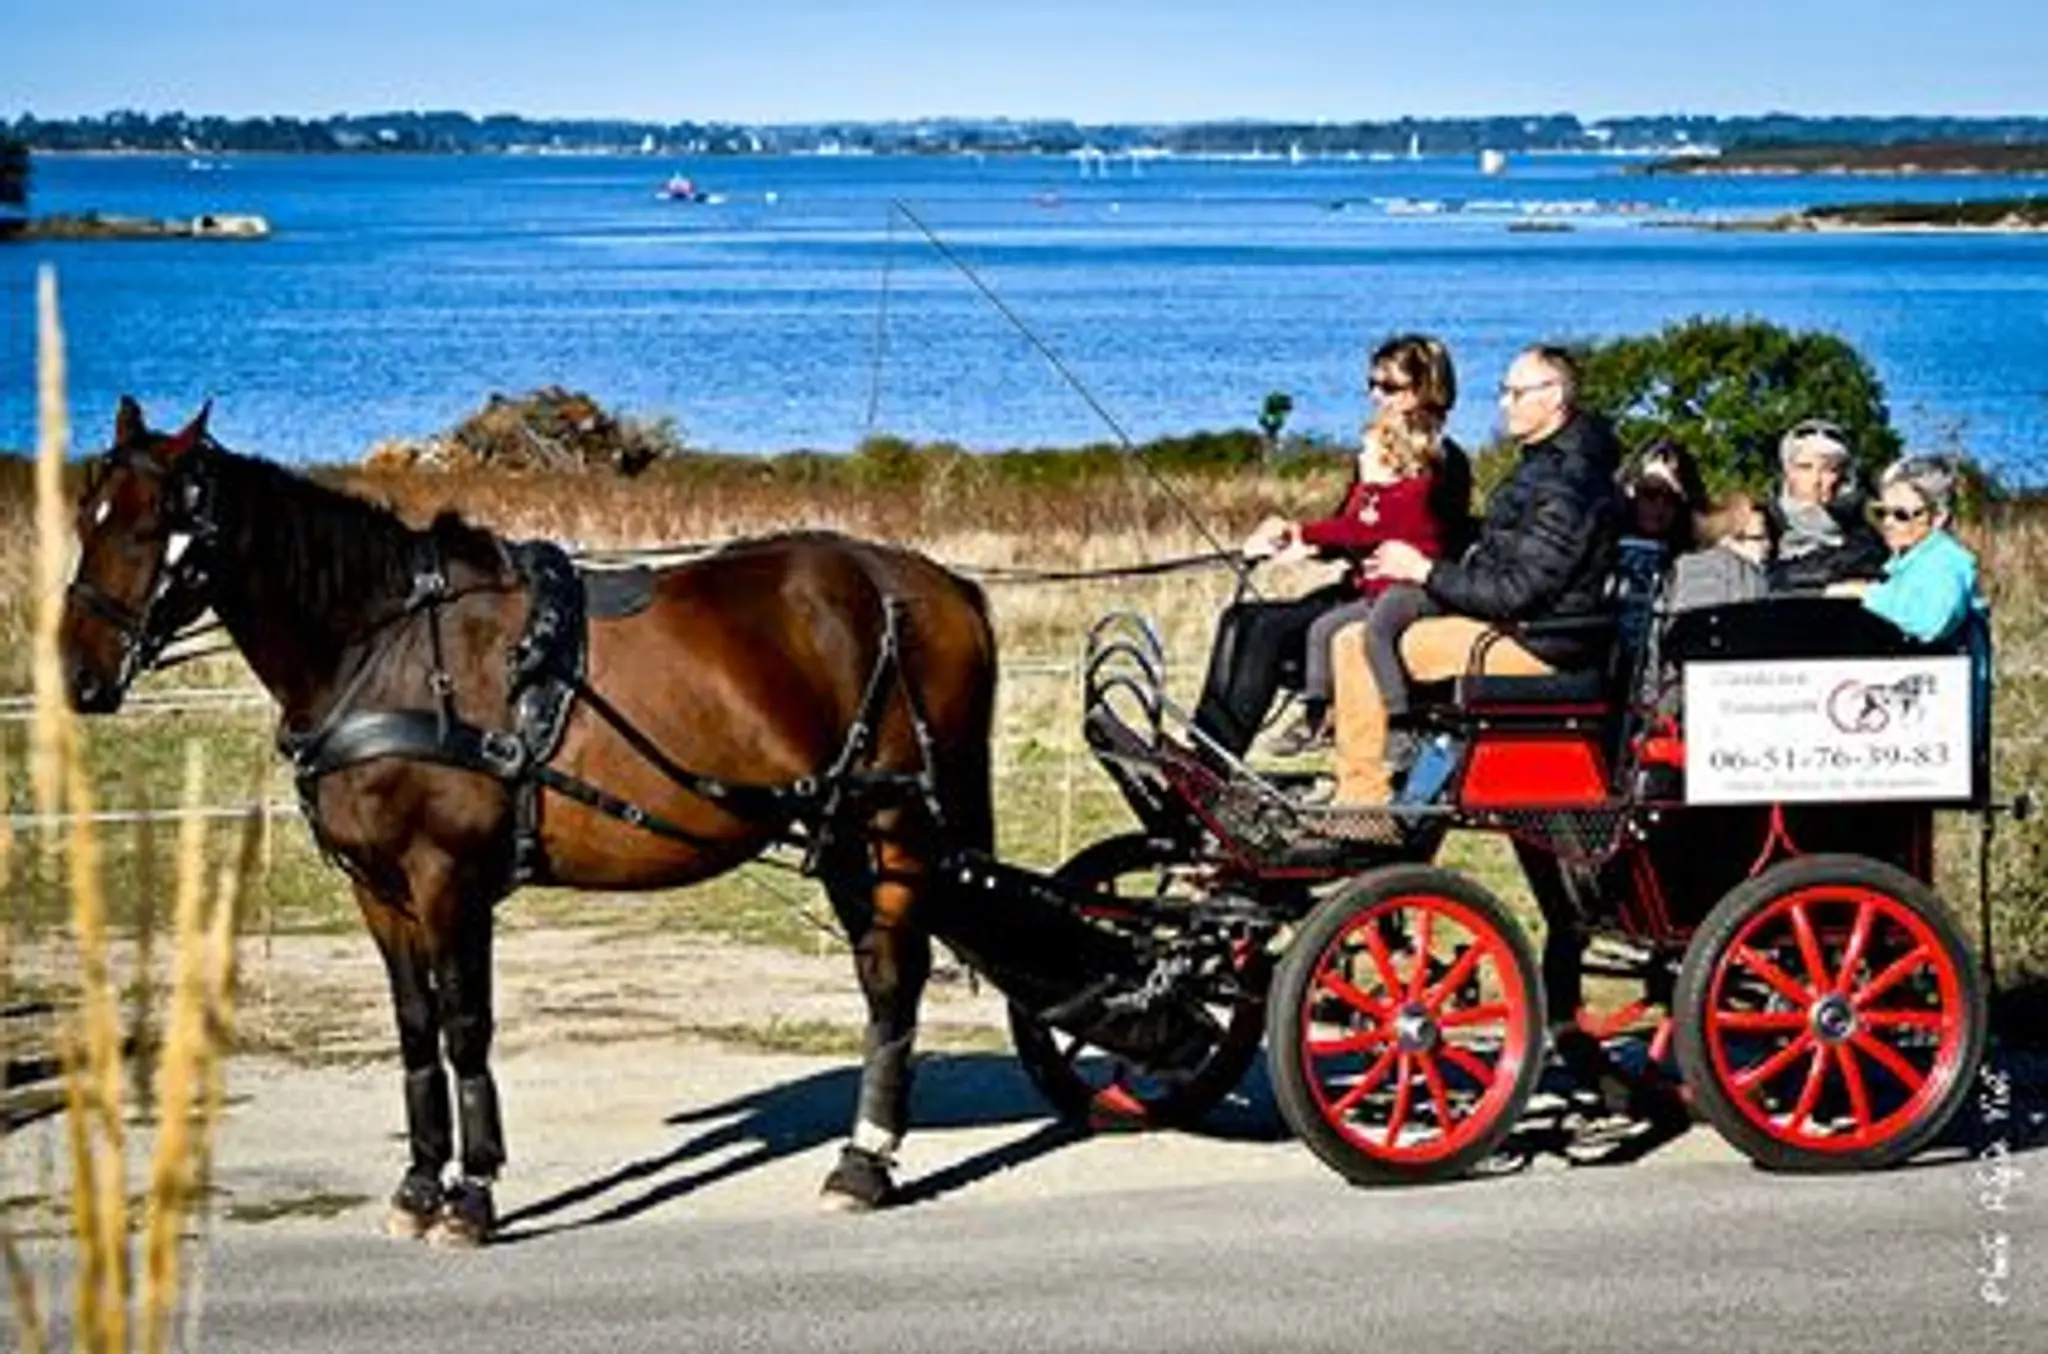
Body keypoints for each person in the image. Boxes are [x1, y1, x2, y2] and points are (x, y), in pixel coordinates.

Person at [1324, 344, 1622, 807]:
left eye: (1515, 393)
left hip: (1537, 644)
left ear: (1554, 397)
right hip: (1519, 628)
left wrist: (1424, 570)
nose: (1503, 403)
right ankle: (1373, 789)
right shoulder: (1545, 466)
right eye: (1505, 391)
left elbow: (1518, 592)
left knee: (1356, 647)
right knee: (1352, 635)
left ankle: (1362, 805)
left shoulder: (1567, 483)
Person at [1190, 334, 1470, 761]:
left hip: (1401, 596)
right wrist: (1294, 542)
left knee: (1266, 628)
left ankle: (1218, 759)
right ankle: (1205, 744)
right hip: (1361, 586)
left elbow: (1379, 529)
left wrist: (1308, 535)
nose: (1376, 396)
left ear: (1423, 391)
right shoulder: (1379, 448)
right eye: (1372, 385)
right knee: (1239, 617)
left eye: (1389, 387)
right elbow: (1349, 528)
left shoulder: (1438, 462)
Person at [1827, 456, 1978, 643]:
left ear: (1938, 517)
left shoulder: (1945, 563)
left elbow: (1931, 621)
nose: (1888, 523)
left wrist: (1865, 593)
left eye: (1901, 515)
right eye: (1881, 512)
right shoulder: (1907, 560)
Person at [1763, 418, 1887, 591]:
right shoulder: (1762, 524)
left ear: (1843, 476)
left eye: (1829, 470)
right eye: (1804, 467)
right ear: (1787, 470)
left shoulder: (1865, 535)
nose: (1816, 480)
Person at [1668, 491, 1775, 614]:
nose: (1768, 545)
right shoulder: (1746, 576)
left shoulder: (1682, 567)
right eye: (1760, 538)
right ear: (1732, 540)